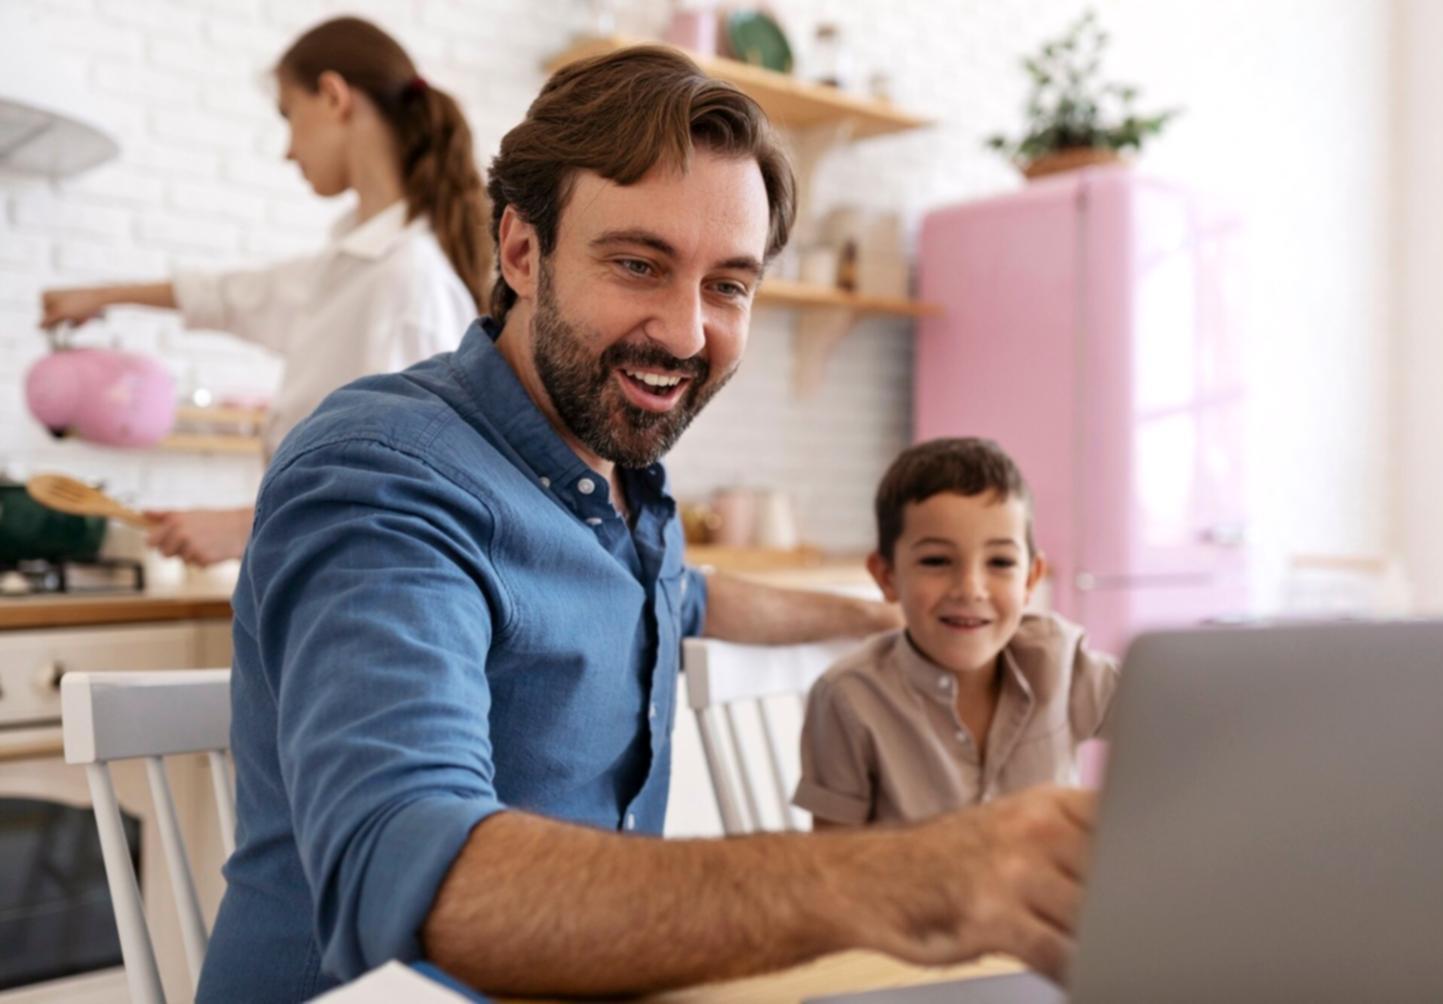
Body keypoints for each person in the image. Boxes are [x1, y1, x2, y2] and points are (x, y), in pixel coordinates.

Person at [196, 47, 1097, 1001]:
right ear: (521, 251)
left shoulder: (619, 486)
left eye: (728, 286)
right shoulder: (382, 470)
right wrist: (895, 879)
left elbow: (677, 593)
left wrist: (875, 620)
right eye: (638, 263)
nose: (684, 332)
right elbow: (409, 876)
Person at [37, 16, 490, 567]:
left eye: (288, 116)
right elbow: (239, 294)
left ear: (332, 96)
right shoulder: (355, 265)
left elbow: (414, 491)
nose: (287, 151)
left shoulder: (408, 280)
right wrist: (101, 296)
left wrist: (245, 528)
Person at [794, 437, 1119, 827]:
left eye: (999, 561)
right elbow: (834, 867)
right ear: (887, 576)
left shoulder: (1064, 662)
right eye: (936, 560)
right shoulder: (848, 698)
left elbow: (1184, 721)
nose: (970, 588)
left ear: (1031, 577)